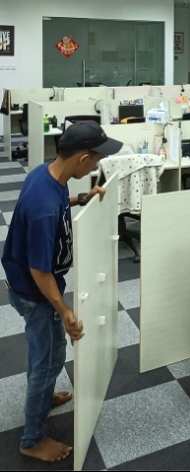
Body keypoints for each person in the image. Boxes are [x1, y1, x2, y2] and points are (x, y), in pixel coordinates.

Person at [2, 121, 122, 463]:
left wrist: (80, 198)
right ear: (83, 158)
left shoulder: (47, 175)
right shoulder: (44, 207)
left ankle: (43, 396)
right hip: (34, 292)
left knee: (49, 352)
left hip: (30, 285)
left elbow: (56, 203)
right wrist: (65, 311)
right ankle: (32, 439)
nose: (97, 165)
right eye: (96, 159)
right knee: (48, 360)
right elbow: (40, 271)